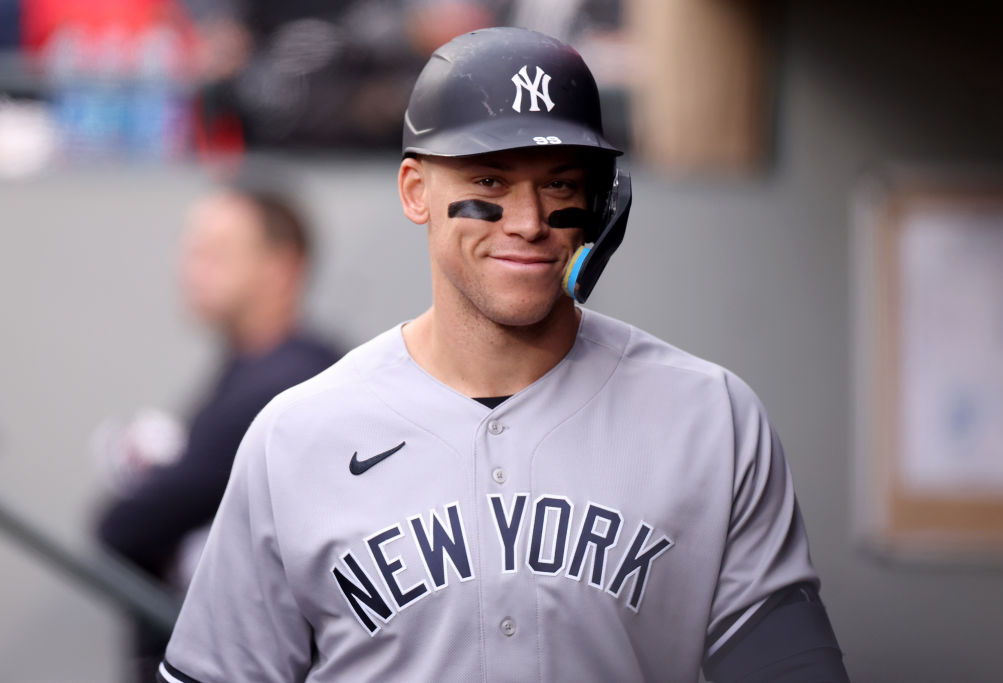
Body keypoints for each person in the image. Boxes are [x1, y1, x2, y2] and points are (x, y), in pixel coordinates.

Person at [155, 27, 849, 683]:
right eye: (489, 181)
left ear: (604, 203)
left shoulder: (711, 418)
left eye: (560, 184)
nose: (528, 221)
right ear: (415, 190)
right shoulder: (296, 435)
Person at [96, 183, 341, 682]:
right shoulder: (262, 368)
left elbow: (126, 527)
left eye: (216, 253)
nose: (191, 267)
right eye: (190, 249)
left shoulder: (282, 385)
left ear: (281, 267)